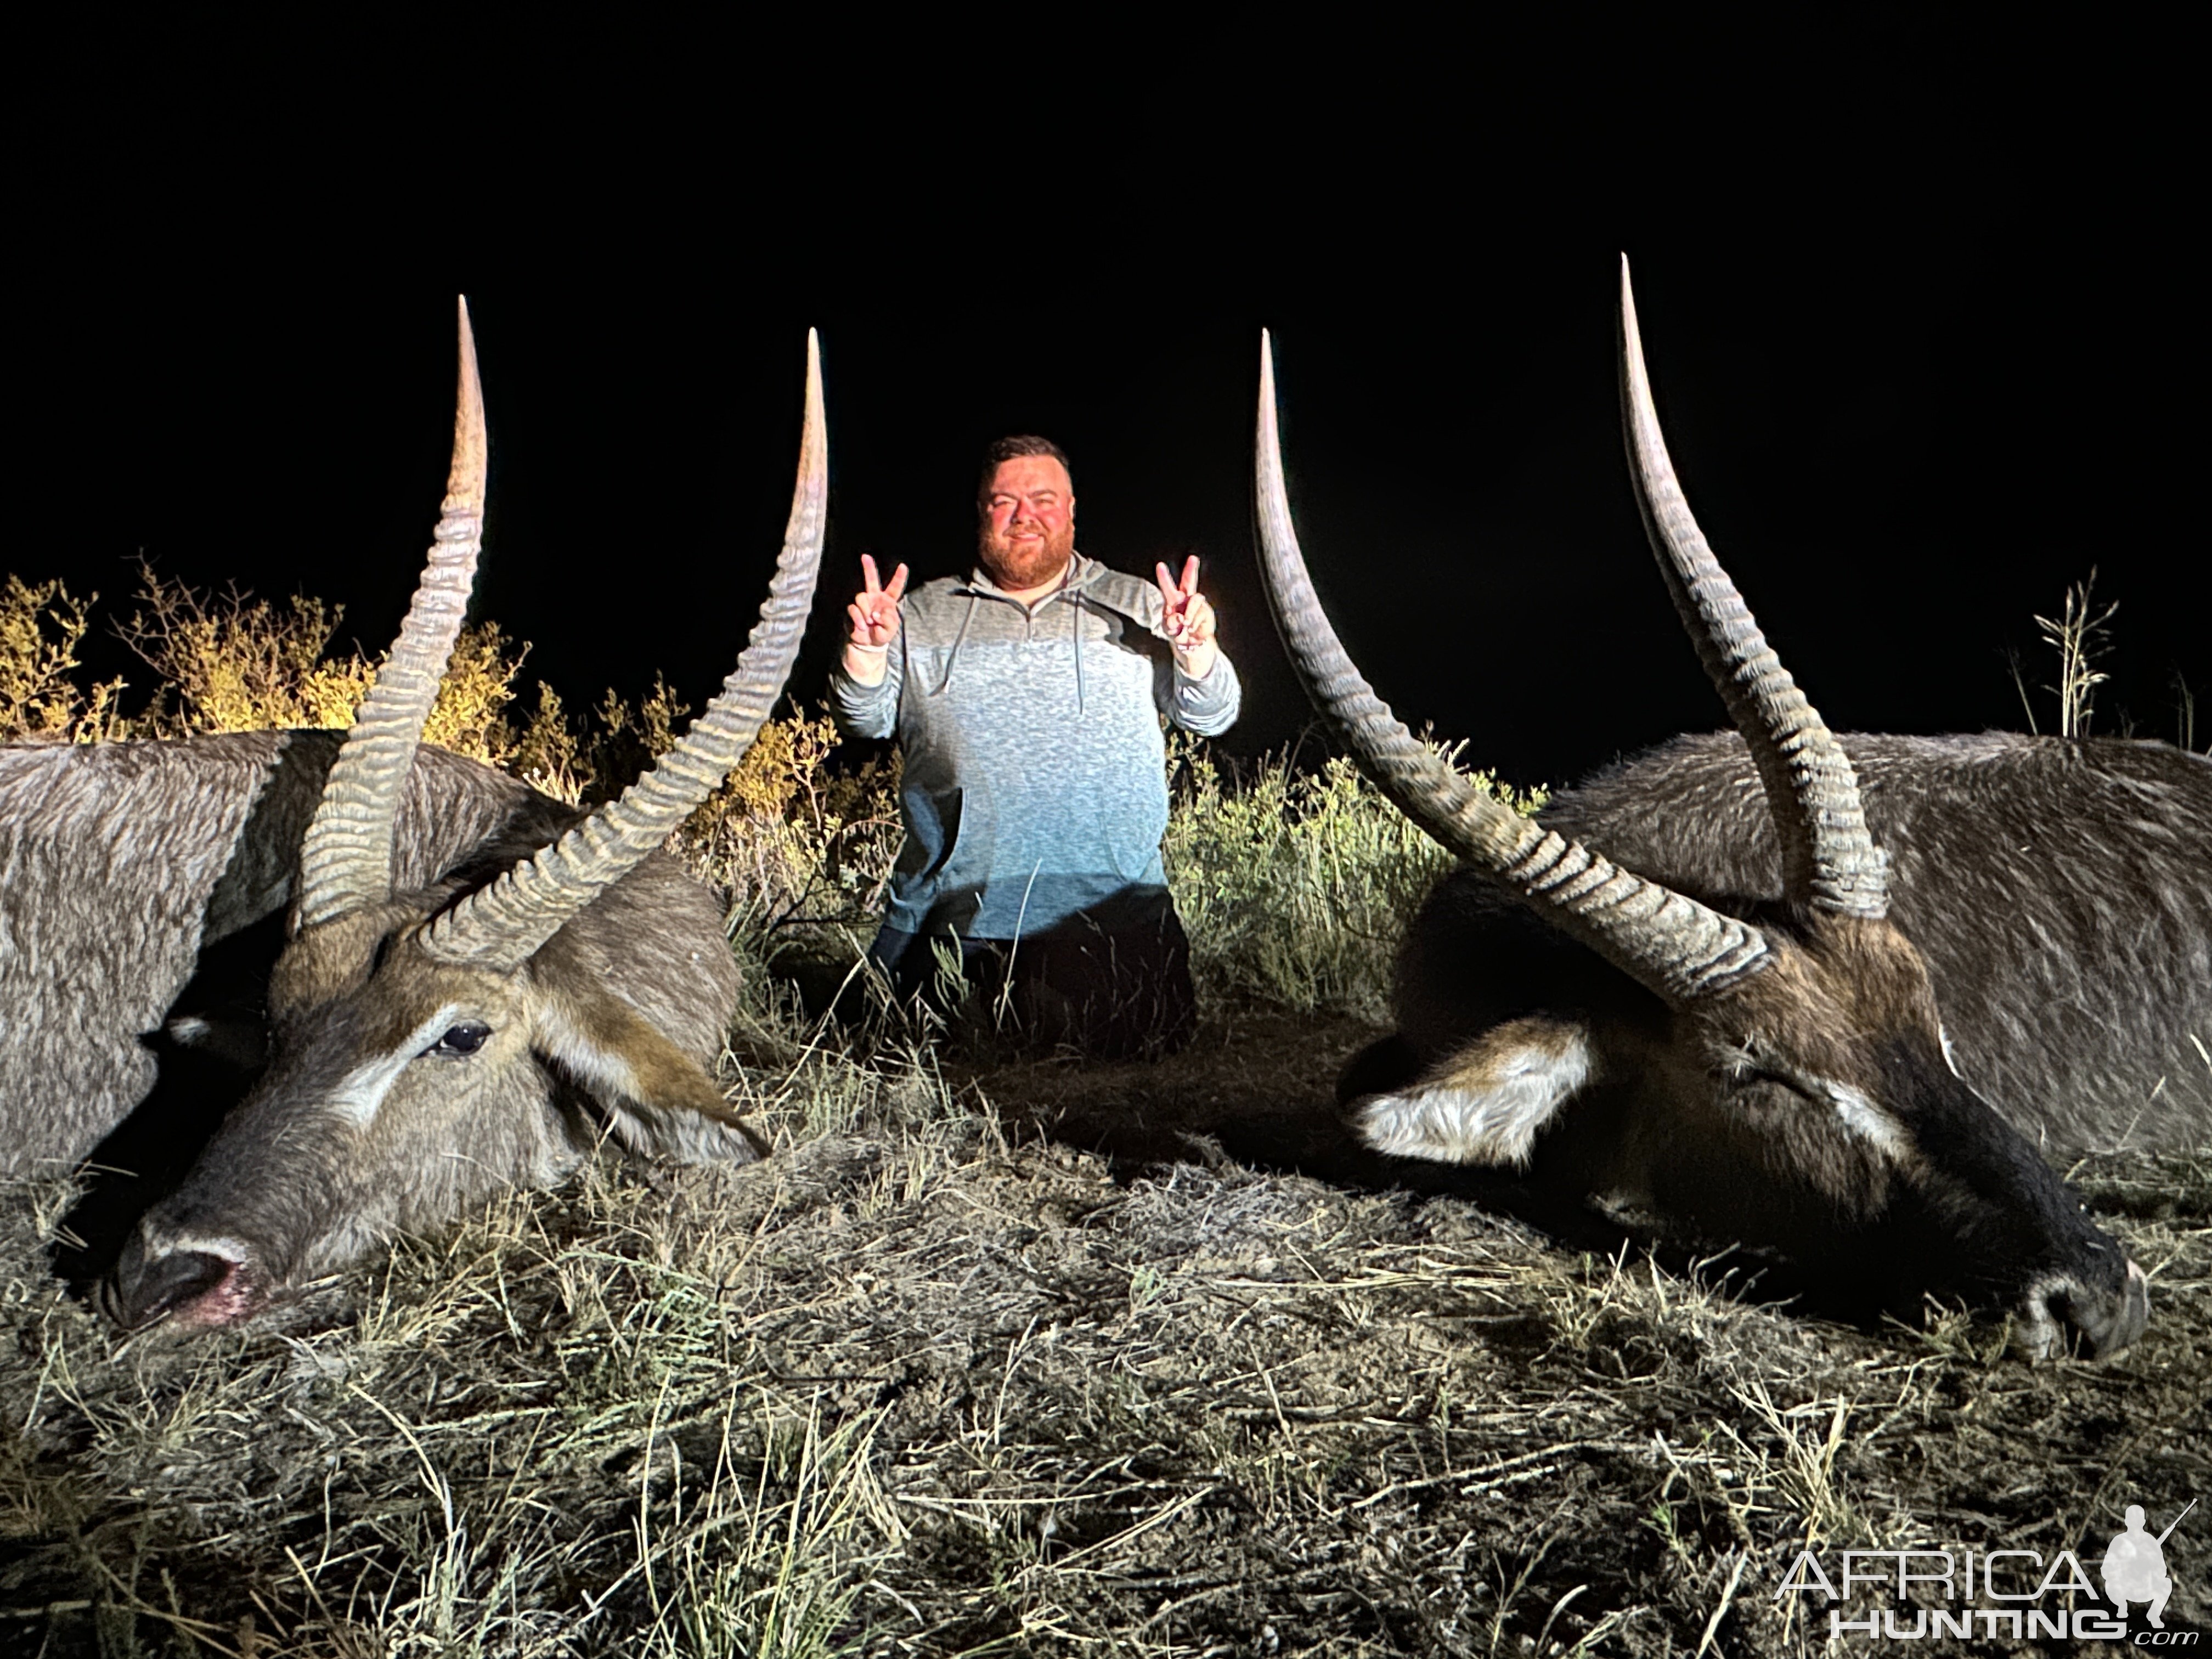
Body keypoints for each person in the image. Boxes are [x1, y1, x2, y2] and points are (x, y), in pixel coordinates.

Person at [830, 435, 1240, 1056]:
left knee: (1116, 1071)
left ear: (1072, 510)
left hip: (1116, 921)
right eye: (1005, 501)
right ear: (981, 513)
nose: (1025, 514)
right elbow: (864, 718)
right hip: (953, 919)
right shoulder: (917, 614)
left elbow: (1212, 714)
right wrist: (864, 653)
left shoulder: (1145, 606)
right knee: (902, 1060)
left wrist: (1195, 651)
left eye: (1044, 499)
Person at [2102, 1505, 2174, 1627]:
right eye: (2132, 1521)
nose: (2135, 1524)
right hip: (2125, 1588)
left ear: (2143, 1522)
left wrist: (2150, 1565)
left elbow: (2163, 1570)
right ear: (2126, 1522)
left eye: (2138, 1521)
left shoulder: (2151, 1542)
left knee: (2166, 1583)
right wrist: (2125, 1563)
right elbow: (2106, 1570)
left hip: (2144, 1587)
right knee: (2110, 1584)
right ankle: (2122, 1606)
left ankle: (2154, 1615)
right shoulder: (2119, 1541)